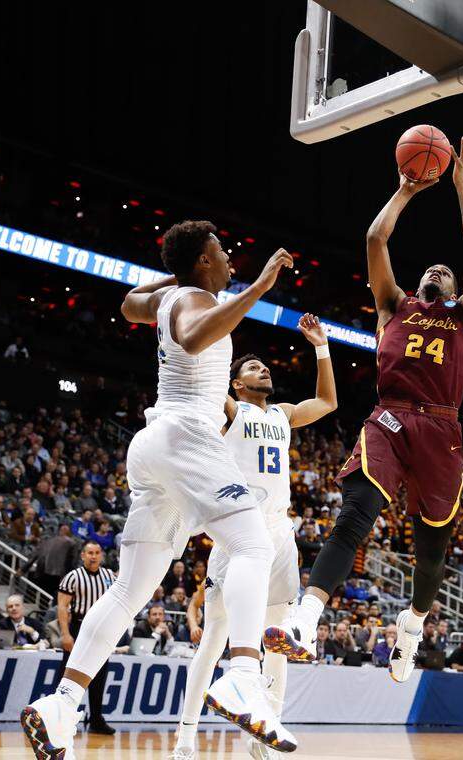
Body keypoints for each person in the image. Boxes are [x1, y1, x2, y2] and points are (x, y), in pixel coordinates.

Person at [22, 221, 298, 757]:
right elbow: (195, 337)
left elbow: (128, 304)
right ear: (201, 263)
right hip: (187, 437)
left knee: (129, 590)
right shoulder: (194, 297)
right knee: (253, 545)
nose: (230, 260)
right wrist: (259, 287)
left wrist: (172, 279)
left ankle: (61, 702)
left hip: (153, 444)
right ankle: (243, 671)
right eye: (221, 253)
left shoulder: (173, 293)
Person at [274, 137, 463, 686]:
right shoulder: (392, 305)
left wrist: (461, 188)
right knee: (355, 516)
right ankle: (307, 615)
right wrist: (404, 191)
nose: (439, 270)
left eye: (447, 270)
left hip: (442, 427)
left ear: (457, 288)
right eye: (432, 268)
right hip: (390, 418)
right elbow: (375, 237)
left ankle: (412, 626)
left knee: (431, 552)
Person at [177, 314, 337, 759]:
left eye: (265, 366)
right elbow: (201, 384)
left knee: (278, 640)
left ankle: (261, 737)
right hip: (237, 529)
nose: (263, 369)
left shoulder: (283, 414)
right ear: (237, 384)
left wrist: (321, 346)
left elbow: (327, 401)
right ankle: (185, 738)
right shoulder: (232, 409)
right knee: (214, 641)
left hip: (278, 532)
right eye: (253, 368)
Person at [54, 541, 118, 736]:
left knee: (99, 676)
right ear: (82, 555)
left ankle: (96, 719)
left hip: (102, 629)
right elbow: (62, 607)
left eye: (97, 553)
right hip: (78, 627)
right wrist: (65, 634)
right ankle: (60, 718)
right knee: (68, 675)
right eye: (90, 553)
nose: (93, 556)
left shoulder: (109, 576)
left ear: (101, 556)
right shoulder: (72, 577)